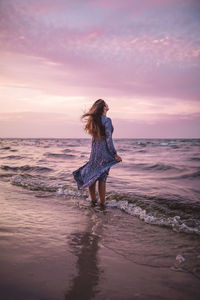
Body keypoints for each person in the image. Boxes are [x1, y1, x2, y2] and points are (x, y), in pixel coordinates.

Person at [73, 99, 122, 207]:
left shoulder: (93, 121)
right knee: (103, 178)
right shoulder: (107, 120)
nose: (107, 104)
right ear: (104, 107)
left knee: (92, 175)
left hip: (95, 153)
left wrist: (93, 154)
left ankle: (93, 201)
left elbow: (94, 140)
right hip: (105, 152)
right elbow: (109, 139)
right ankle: (103, 204)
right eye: (106, 103)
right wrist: (114, 154)